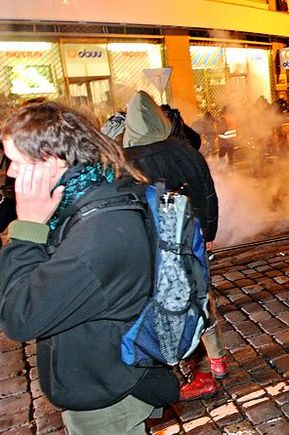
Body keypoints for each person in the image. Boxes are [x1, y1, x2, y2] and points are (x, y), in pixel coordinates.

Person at [0, 101, 178, 434]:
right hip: (103, 374)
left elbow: (20, 316)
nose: (9, 172)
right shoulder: (94, 190)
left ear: (51, 161)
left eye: (15, 161)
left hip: (107, 395)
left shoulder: (101, 232)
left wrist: (27, 229)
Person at [121, 91, 223, 402]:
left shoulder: (128, 158)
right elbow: (208, 193)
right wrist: (208, 230)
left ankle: (198, 370)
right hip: (189, 238)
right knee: (200, 295)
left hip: (156, 245)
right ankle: (216, 360)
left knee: (169, 302)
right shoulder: (185, 149)